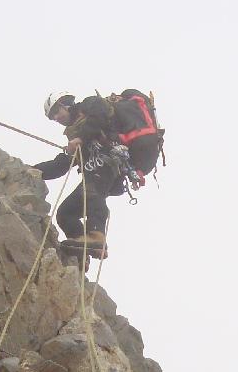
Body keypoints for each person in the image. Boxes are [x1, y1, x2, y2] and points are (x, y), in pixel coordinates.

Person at [34, 91, 161, 255]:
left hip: (108, 161)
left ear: (65, 103)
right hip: (96, 168)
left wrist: (81, 138)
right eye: (53, 117)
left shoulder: (90, 104)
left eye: (56, 112)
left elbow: (100, 115)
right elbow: (61, 165)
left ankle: (96, 236)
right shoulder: (75, 133)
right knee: (66, 213)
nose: (56, 118)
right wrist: (32, 170)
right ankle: (83, 250)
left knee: (92, 191)